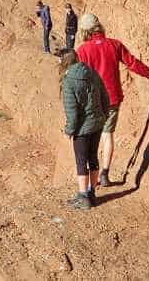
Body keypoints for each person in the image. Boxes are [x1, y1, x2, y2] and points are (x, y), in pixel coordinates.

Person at [75, 13, 149, 187]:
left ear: (84, 31)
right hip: (112, 98)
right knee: (108, 134)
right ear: (99, 27)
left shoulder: (82, 51)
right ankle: (104, 174)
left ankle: (90, 180)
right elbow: (133, 63)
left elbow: (79, 79)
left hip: (92, 101)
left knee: (92, 136)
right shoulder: (114, 44)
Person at [61, 49, 109, 210]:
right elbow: (105, 97)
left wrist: (69, 130)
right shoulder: (92, 73)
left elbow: (72, 111)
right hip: (97, 123)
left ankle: (83, 197)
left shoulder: (68, 81)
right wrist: (103, 115)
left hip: (82, 128)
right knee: (93, 157)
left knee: (81, 161)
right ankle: (91, 193)